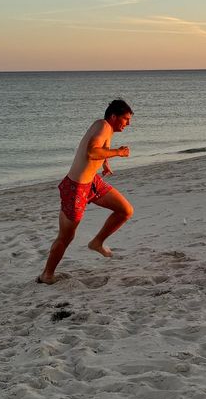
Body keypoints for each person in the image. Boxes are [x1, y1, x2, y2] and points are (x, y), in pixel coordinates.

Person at [37, 100, 134, 284]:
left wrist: (105, 162)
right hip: (76, 188)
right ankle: (47, 275)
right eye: (125, 119)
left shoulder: (105, 127)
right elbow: (91, 151)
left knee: (125, 210)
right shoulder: (104, 126)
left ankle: (96, 243)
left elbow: (98, 150)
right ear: (114, 116)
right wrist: (118, 153)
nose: (128, 124)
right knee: (66, 236)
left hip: (92, 182)